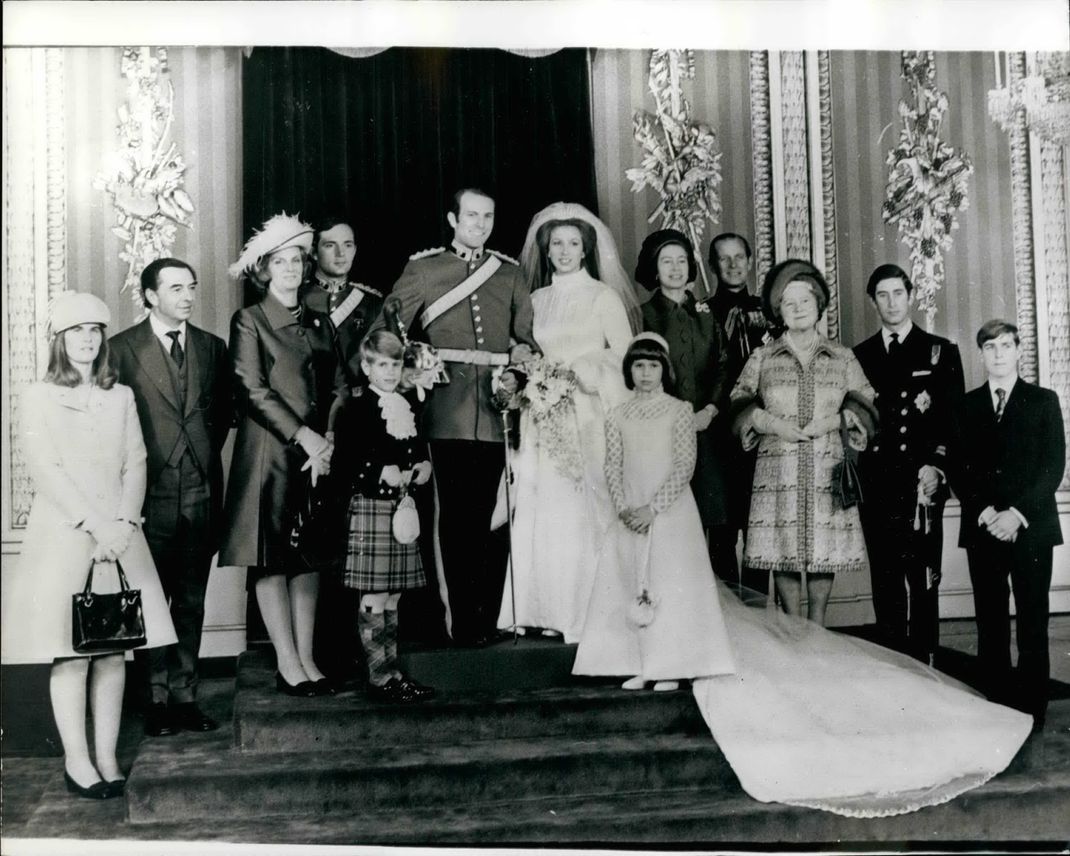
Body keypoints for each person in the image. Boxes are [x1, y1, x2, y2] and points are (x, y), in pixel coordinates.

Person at [0, 292, 177, 799]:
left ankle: (106, 756)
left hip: (120, 538)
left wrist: (122, 523)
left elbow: (135, 463)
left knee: (113, 652)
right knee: (72, 653)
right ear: (60, 340)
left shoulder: (118, 395)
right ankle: (77, 761)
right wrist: (97, 525)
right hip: (66, 535)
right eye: (77, 331)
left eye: (95, 331)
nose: (88, 339)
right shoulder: (37, 396)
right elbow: (45, 470)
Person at [369, 187, 536, 647]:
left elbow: (525, 340)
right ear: (452, 218)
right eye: (471, 216)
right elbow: (385, 332)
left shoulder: (511, 274)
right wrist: (412, 363)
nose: (480, 224)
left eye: (488, 216)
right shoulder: (425, 269)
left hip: (495, 410)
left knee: (486, 520)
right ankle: (460, 622)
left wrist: (517, 374)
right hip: (444, 411)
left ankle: (483, 619)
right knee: (455, 521)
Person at [495, 201, 640, 642]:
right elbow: (522, 351)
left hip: (588, 415)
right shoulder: (536, 299)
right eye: (556, 243)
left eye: (573, 243)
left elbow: (625, 357)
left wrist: (582, 371)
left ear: (586, 249)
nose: (564, 251)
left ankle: (584, 612)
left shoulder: (603, 296)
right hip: (542, 415)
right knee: (541, 504)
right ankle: (539, 609)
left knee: (583, 507)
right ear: (546, 248)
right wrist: (531, 378)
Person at [221, 213, 348, 696]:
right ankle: (288, 663)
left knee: (309, 558)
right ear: (265, 269)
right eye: (281, 261)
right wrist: (306, 437)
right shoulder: (249, 320)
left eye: (298, 259)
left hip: (317, 456)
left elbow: (339, 386)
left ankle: (308, 659)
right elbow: (252, 390)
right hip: (270, 455)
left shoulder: (319, 321)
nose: (292, 268)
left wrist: (329, 437)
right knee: (272, 560)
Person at [109, 258, 231, 737]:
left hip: (200, 489)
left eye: (192, 287)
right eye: (175, 288)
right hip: (149, 492)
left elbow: (220, 415)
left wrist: (197, 459)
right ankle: (154, 699)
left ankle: (186, 696)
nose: (187, 296)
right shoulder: (121, 349)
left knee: (190, 599)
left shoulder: (212, 347)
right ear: (150, 296)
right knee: (150, 598)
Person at [573, 333, 735, 690]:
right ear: (630, 370)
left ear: (665, 370)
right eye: (639, 365)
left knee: (669, 582)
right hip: (630, 510)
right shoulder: (618, 414)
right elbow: (612, 464)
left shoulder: (679, 411)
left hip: (669, 510)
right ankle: (641, 662)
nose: (646, 373)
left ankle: (673, 665)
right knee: (632, 580)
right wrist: (624, 507)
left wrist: (653, 509)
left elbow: (684, 465)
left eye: (653, 365)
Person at [730, 260, 875, 626]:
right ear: (778, 309)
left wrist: (834, 420)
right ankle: (794, 629)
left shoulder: (842, 357)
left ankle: (818, 627)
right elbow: (738, 399)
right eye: (788, 303)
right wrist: (770, 422)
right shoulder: (763, 356)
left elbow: (867, 401)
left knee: (822, 550)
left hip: (827, 463)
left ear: (819, 306)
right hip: (778, 466)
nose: (797, 309)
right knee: (784, 549)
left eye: (805, 302)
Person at [950, 319, 1065, 732]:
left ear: (1019, 351)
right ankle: (995, 700)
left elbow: (1053, 467)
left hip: (1031, 527)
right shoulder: (966, 406)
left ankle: (1033, 706)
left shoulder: (1044, 401)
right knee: (990, 616)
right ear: (980, 355)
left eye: (1005, 345)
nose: (998, 354)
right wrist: (985, 513)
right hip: (984, 527)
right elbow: (959, 470)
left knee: (1033, 615)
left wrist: (1015, 514)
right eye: (990, 347)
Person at [853, 264, 964, 661]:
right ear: (872, 301)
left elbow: (953, 422)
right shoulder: (860, 355)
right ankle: (893, 665)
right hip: (878, 484)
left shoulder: (940, 351)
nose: (891, 302)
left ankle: (925, 661)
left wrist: (937, 467)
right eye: (882, 295)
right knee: (884, 579)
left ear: (911, 295)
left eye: (898, 293)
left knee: (922, 580)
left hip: (922, 483)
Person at [332, 331, 436, 702]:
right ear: (366, 366)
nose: (391, 372)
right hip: (372, 507)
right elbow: (345, 460)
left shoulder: (405, 405)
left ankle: (393, 672)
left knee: (393, 597)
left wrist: (422, 464)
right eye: (382, 365)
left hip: (401, 508)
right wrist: (378, 472)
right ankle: (379, 678)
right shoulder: (356, 406)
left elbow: (413, 446)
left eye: (396, 364)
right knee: (375, 597)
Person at [635, 229, 731, 580]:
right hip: (661, 435)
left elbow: (724, 365)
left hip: (709, 434)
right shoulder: (642, 316)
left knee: (717, 522)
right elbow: (637, 372)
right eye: (666, 261)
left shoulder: (707, 315)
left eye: (681, 261)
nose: (675, 269)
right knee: (671, 520)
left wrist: (709, 411)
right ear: (654, 268)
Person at [707, 233, 772, 591]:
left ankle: (759, 617)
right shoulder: (702, 312)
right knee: (721, 534)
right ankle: (731, 621)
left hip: (762, 434)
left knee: (759, 533)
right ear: (714, 265)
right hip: (718, 439)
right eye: (723, 259)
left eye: (738, 257)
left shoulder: (770, 310)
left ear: (750, 261)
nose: (732, 265)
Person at [300, 216, 384, 381]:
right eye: (330, 245)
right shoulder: (297, 299)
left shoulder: (372, 303)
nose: (341, 253)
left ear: (354, 250)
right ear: (314, 252)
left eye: (347, 245)